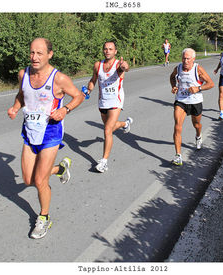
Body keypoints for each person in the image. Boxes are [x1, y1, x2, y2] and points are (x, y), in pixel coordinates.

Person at [7, 38, 84, 239]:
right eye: (32, 52)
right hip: (29, 131)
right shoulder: (23, 74)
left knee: (40, 180)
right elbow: (22, 94)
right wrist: (16, 107)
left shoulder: (58, 79)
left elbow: (78, 96)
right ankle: (60, 169)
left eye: (40, 53)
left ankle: (44, 218)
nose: (34, 57)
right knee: (28, 179)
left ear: (50, 54)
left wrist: (65, 109)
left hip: (50, 132)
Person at [84, 41, 132, 173]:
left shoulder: (118, 64)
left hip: (116, 101)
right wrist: (88, 90)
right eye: (105, 49)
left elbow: (126, 68)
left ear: (115, 51)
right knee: (109, 129)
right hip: (102, 101)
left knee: (107, 130)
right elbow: (93, 80)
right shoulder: (97, 65)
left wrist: (125, 66)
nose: (107, 51)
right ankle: (125, 124)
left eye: (111, 49)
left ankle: (104, 161)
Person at [170, 48, 214, 166]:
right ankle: (178, 155)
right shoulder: (178, 68)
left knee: (196, 124)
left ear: (193, 59)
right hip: (181, 101)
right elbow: (171, 77)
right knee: (177, 126)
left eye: (188, 58)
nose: (185, 61)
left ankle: (198, 136)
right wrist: (174, 86)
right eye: (183, 58)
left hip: (195, 101)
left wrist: (198, 88)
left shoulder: (197, 69)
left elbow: (211, 84)